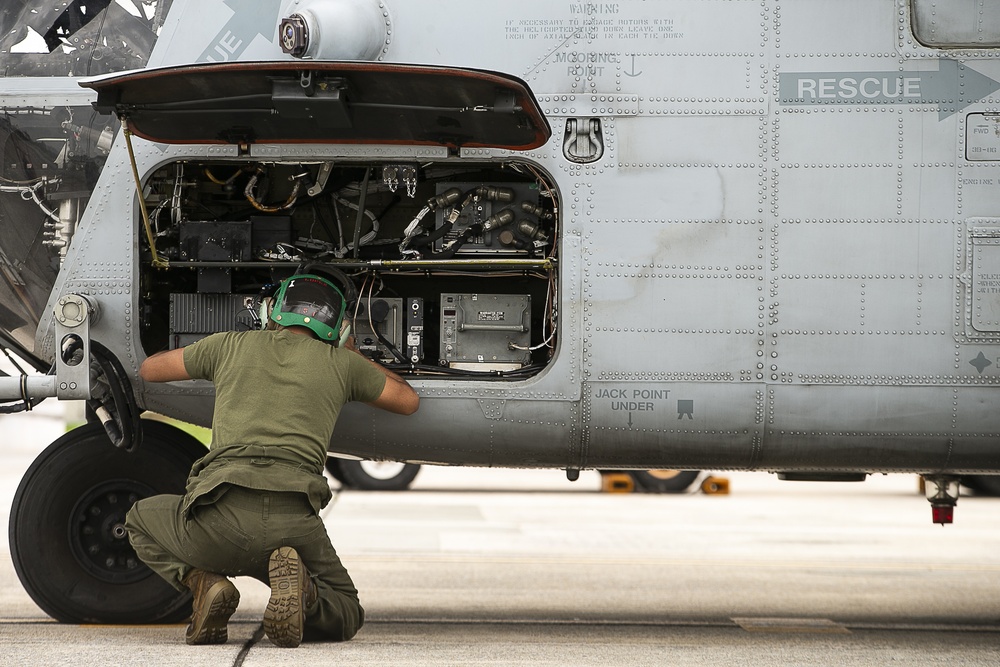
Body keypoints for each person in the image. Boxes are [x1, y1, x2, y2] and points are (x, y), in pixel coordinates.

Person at [124, 273, 419, 648]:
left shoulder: (229, 346)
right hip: (294, 524)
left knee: (138, 519)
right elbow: (408, 401)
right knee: (347, 610)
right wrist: (352, 353)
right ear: (337, 329)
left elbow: (150, 370)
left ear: (271, 311)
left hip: (217, 517)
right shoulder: (343, 365)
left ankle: (204, 583)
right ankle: (306, 593)